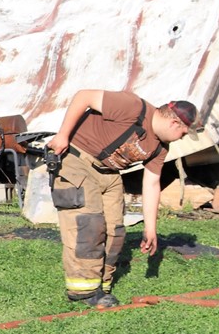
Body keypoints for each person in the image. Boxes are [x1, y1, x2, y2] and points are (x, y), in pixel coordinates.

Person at [45, 89, 196, 308]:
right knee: (88, 226)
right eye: (183, 133)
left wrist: (150, 229)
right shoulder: (132, 106)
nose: (181, 138)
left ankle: (101, 286)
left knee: (115, 231)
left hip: (109, 173)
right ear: (174, 123)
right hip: (78, 161)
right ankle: (84, 291)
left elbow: (152, 183)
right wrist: (63, 136)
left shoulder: (160, 147)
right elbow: (83, 96)